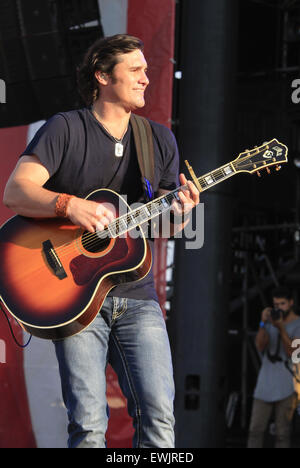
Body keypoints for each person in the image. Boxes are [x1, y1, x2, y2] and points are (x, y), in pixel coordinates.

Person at [3, 34, 199, 448]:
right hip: (74, 295)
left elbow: (159, 226)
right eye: (136, 70)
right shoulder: (66, 128)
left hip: (137, 296)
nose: (147, 77)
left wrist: (181, 215)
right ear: (102, 76)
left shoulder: (158, 139)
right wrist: (69, 205)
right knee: (89, 427)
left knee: (160, 420)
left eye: (147, 70)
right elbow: (15, 192)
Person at [247, 286, 300, 448]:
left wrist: (281, 328)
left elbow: (293, 352)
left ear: (291, 303)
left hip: (287, 383)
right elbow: (260, 346)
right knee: (255, 430)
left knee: (282, 433)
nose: (279, 309)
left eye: (282, 304)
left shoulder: (298, 324)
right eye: (275, 305)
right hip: (265, 383)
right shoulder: (270, 321)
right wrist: (263, 323)